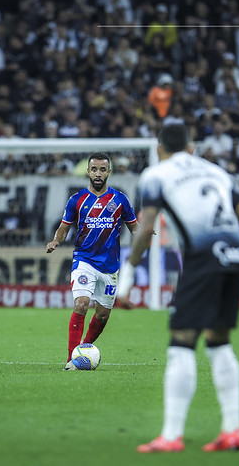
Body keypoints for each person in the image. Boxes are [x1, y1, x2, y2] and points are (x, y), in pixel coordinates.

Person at [117, 124, 239, 453]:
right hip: (236, 256)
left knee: (181, 342)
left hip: (205, 258)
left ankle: (171, 436)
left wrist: (127, 275)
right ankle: (232, 430)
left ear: (159, 149)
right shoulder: (218, 172)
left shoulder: (156, 174)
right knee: (218, 340)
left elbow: (146, 227)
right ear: (191, 148)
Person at [46, 152, 141, 370]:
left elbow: (134, 226)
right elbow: (64, 228)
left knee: (103, 315)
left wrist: (143, 235)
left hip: (109, 266)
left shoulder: (120, 199)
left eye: (102, 169)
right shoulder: (77, 200)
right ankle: (72, 359)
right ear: (88, 171)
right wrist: (56, 240)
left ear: (109, 172)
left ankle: (84, 347)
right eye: (94, 169)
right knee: (81, 303)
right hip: (84, 260)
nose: (98, 173)